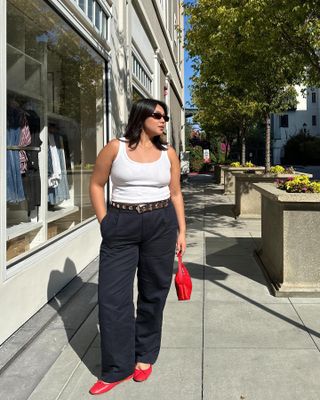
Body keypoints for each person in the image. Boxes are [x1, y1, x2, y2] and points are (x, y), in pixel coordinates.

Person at [89, 98, 186, 395]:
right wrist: (105, 222)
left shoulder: (167, 153)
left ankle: (144, 355)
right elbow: (96, 184)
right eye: (158, 115)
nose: (163, 121)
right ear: (141, 116)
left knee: (153, 291)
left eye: (166, 117)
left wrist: (182, 230)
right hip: (121, 223)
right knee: (112, 296)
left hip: (161, 223)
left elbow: (176, 193)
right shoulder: (115, 148)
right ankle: (117, 367)